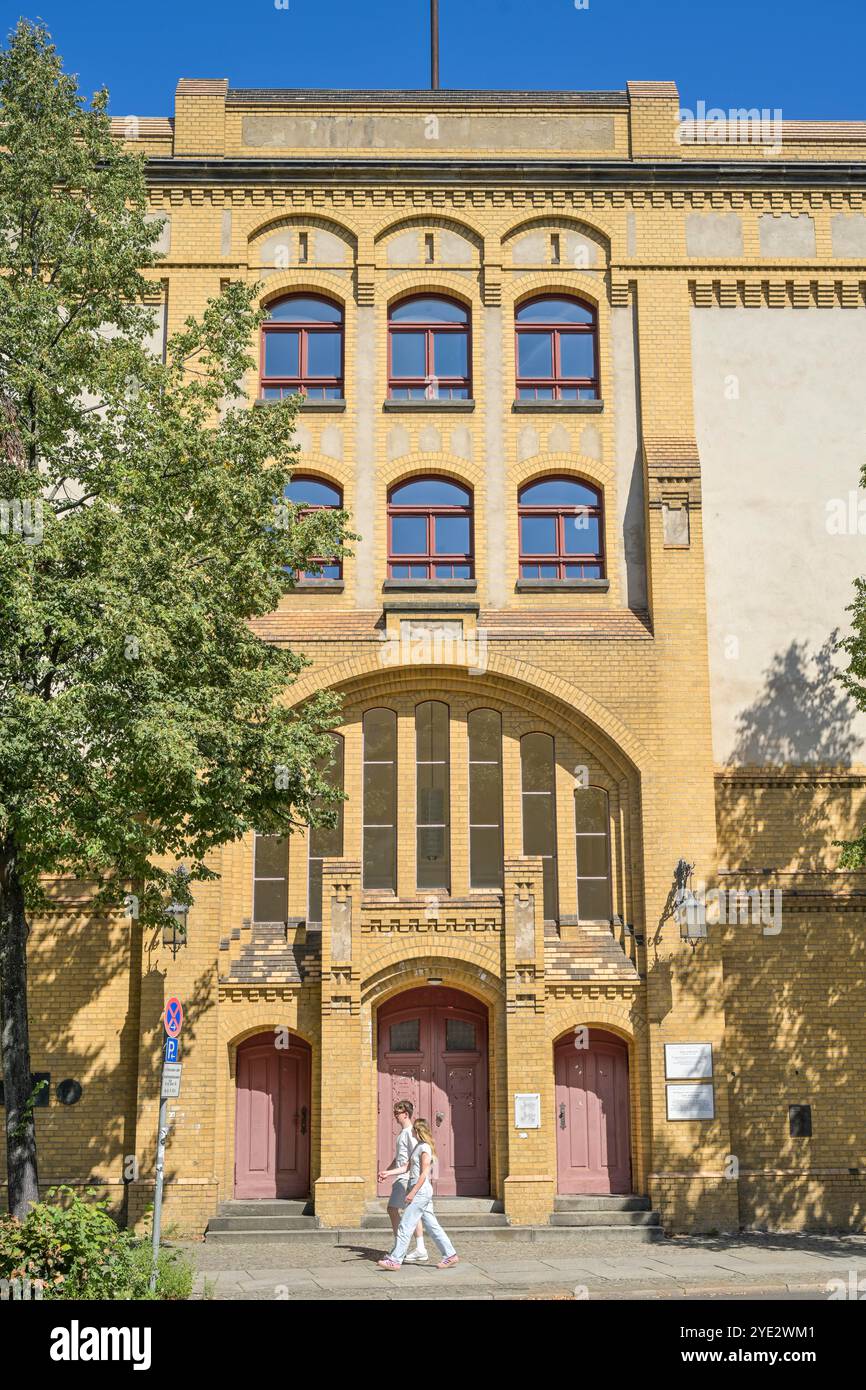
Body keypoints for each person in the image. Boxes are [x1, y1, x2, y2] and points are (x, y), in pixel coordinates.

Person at [377, 1118, 459, 1270]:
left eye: (414, 1129)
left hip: (420, 1191)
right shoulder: (418, 1147)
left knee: (405, 1225)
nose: (412, 1131)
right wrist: (387, 1173)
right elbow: (406, 1167)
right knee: (432, 1225)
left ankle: (395, 1260)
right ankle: (450, 1255)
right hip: (418, 1191)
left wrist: (412, 1193)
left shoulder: (425, 1149)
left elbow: (424, 1174)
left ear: (418, 1131)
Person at [377, 1100, 427, 1263]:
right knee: (412, 1213)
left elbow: (413, 1158)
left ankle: (402, 1246)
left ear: (405, 1114)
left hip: (405, 1178)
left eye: (397, 1113)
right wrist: (387, 1170)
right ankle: (419, 1248)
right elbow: (400, 1157)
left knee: (393, 1209)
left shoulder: (409, 1133)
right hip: (402, 1177)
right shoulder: (403, 1133)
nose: (395, 1116)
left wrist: (393, 1173)